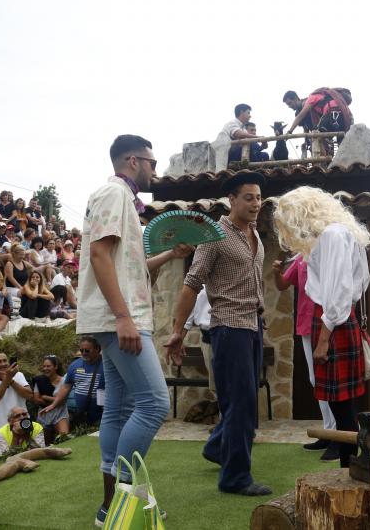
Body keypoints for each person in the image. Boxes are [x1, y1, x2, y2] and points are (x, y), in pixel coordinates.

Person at [77, 135, 185, 525]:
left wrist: (170, 255)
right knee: (155, 404)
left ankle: (111, 507)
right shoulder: (114, 194)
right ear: (133, 160)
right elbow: (99, 254)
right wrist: (123, 317)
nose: (156, 170)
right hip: (120, 320)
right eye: (152, 163)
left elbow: (126, 265)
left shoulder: (121, 199)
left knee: (119, 409)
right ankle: (122, 500)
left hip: (118, 318)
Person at [166, 169, 269, 496]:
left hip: (254, 326)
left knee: (246, 403)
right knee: (240, 405)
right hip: (229, 328)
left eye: (259, 198)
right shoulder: (214, 236)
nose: (256, 204)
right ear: (233, 200)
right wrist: (177, 330)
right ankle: (235, 478)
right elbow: (191, 284)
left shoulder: (254, 234)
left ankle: (217, 446)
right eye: (249, 198)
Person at [269, 186, 370, 472]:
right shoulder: (342, 233)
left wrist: (324, 338)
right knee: (344, 406)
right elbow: (358, 284)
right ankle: (353, 471)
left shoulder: (333, 235)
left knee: (343, 407)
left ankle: (351, 472)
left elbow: (339, 292)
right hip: (335, 319)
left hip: (332, 322)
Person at [273, 255, 338, 461]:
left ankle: (338, 437)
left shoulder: (328, 250)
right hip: (306, 324)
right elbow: (283, 284)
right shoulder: (300, 256)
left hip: (327, 323)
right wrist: (276, 271)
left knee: (330, 381)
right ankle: (329, 432)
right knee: (315, 380)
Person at [41, 336, 104, 426]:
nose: (83, 353)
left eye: (87, 350)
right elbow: (66, 387)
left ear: (97, 349)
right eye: (81, 350)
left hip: (103, 414)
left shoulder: (107, 365)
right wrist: (53, 405)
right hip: (81, 413)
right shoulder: (74, 365)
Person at [0, 351, 33, 443]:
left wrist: (10, 380)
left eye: (5, 360)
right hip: (2, 428)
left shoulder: (19, 375)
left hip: (24, 423)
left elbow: (29, 395)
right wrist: (7, 379)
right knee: (8, 457)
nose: (3, 364)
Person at [32, 356, 69, 446]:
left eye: (48, 366)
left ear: (55, 367)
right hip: (44, 414)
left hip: (60, 413)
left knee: (64, 438)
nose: (45, 369)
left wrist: (45, 397)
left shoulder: (64, 381)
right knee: (44, 444)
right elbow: (36, 399)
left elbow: (62, 400)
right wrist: (53, 401)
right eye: (44, 366)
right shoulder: (39, 380)